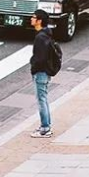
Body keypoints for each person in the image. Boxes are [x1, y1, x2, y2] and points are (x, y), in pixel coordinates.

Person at [30, 9, 53, 138]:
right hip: (44, 71)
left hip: (41, 72)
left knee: (41, 100)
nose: (31, 19)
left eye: (34, 17)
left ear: (39, 21)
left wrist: (33, 67)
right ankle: (46, 125)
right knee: (43, 98)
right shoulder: (46, 34)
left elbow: (40, 58)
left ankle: (45, 128)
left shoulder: (40, 37)